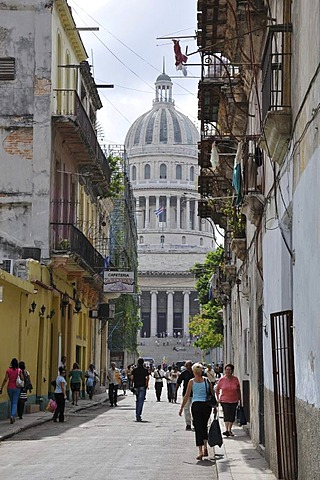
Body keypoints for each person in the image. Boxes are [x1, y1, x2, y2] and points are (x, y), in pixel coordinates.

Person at [179, 363, 216, 460]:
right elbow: (212, 393)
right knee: (204, 426)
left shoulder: (191, 381)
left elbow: (187, 395)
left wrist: (181, 408)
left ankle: (200, 451)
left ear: (194, 371)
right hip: (206, 406)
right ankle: (205, 447)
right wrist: (215, 406)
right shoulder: (207, 380)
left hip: (196, 405)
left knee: (198, 428)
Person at [216, 363, 241, 437]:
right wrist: (218, 398)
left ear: (232, 371)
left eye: (229, 370)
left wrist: (240, 398)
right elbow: (217, 390)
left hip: (234, 400)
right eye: (226, 369)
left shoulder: (235, 379)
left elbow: (238, 389)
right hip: (224, 400)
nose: (228, 371)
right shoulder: (222, 379)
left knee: (232, 415)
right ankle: (227, 430)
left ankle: (230, 429)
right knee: (226, 414)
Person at [0, 358, 24, 424]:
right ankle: (12, 415)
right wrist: (19, 373)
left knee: (12, 401)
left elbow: (5, 379)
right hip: (16, 388)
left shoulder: (8, 370)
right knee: (14, 402)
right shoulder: (19, 370)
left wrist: (1, 387)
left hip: (9, 388)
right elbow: (22, 378)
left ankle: (12, 415)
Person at [176, 360, 194, 430]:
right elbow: (178, 382)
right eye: (187, 366)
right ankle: (188, 423)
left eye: (190, 365)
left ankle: (194, 422)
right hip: (186, 393)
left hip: (195, 393)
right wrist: (176, 392)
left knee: (194, 409)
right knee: (186, 409)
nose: (189, 367)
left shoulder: (195, 373)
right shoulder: (184, 373)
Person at [131, 357, 149, 422]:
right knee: (141, 401)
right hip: (142, 386)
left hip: (136, 386)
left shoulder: (134, 370)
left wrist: (131, 385)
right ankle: (138, 415)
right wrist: (147, 385)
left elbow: (132, 378)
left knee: (137, 400)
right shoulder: (145, 370)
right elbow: (147, 378)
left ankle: (137, 414)